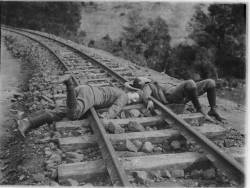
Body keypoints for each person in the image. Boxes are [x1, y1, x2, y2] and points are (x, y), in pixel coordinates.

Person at [17, 75, 141, 137]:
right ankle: (69, 83)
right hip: (90, 96)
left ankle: (27, 121)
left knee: (59, 113)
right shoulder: (124, 96)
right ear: (130, 91)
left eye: (134, 101)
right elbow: (116, 108)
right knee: (74, 114)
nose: (132, 101)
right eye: (134, 98)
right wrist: (106, 118)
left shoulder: (117, 90)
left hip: (85, 89)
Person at [125, 77, 225, 121]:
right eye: (142, 78)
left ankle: (213, 110)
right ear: (142, 82)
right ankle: (199, 109)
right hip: (172, 96)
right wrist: (148, 101)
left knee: (210, 82)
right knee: (190, 82)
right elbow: (146, 95)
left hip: (183, 93)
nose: (144, 78)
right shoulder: (147, 85)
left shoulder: (153, 82)